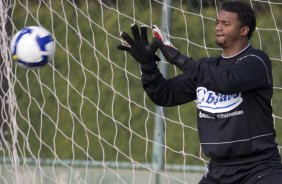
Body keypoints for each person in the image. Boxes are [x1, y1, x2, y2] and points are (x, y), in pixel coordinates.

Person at [117, 1, 282, 184]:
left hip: (259, 169)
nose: (218, 27)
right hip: (218, 172)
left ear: (244, 30)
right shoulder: (206, 67)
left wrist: (178, 58)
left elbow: (227, 81)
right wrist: (147, 65)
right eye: (217, 22)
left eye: (226, 24)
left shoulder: (256, 61)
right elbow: (164, 94)